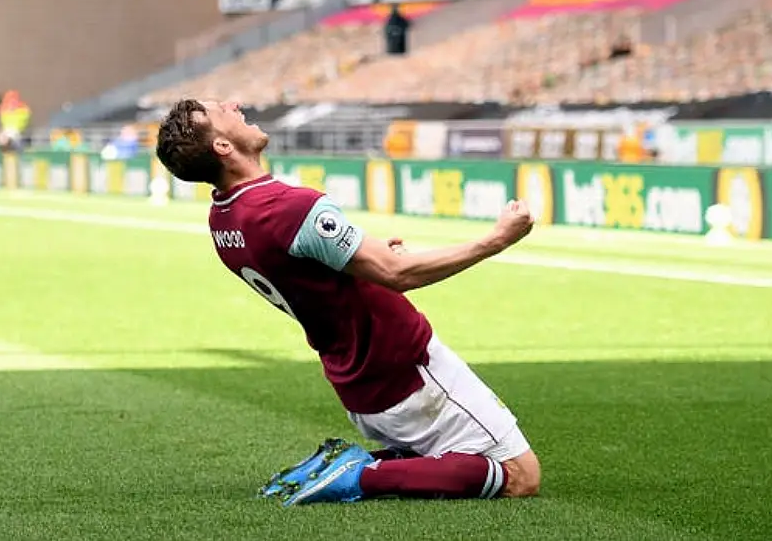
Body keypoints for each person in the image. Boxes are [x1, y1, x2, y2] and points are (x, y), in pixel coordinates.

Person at [154, 99, 540, 505]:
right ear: (222, 147)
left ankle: (342, 465)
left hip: (356, 378)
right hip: (404, 367)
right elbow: (396, 274)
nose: (234, 106)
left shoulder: (223, 220)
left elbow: (305, 271)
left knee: (441, 456)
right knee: (519, 475)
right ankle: (360, 475)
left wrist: (361, 258)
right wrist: (496, 239)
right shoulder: (286, 207)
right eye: (221, 111)